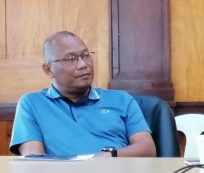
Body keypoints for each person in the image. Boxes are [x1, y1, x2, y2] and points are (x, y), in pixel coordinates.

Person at [9, 31, 157, 157]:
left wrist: (109, 156)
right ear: (48, 69)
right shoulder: (32, 104)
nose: (83, 64)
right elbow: (34, 161)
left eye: (86, 55)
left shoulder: (121, 100)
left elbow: (148, 149)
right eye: (71, 58)